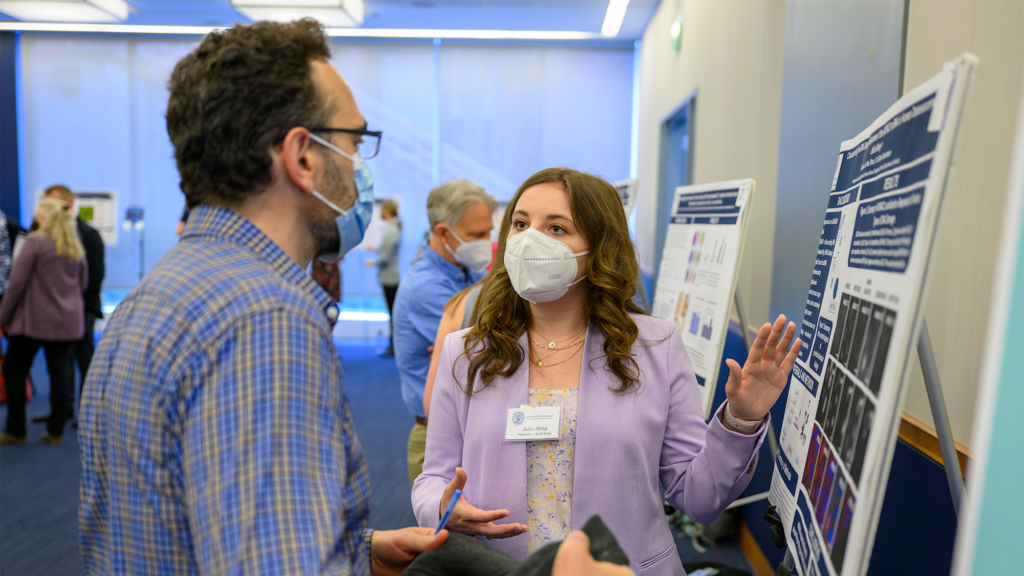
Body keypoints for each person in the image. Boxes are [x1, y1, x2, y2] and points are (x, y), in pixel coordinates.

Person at [78, 20, 449, 574]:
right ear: (303, 156)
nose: (357, 167)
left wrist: (354, 548)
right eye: (352, 142)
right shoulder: (266, 320)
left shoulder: (161, 292)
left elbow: (183, 517)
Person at [412, 168, 802, 575]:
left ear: (598, 247)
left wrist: (742, 419)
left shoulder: (655, 347)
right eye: (521, 223)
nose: (530, 241)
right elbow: (433, 477)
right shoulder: (467, 350)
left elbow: (699, 498)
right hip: (500, 568)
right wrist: (442, 506)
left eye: (557, 228)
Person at [392, 179, 497, 486]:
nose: (486, 240)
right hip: (438, 432)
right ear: (442, 232)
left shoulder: (465, 270)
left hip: (469, 425)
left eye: (489, 231)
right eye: (477, 235)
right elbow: (488, 343)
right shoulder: (426, 287)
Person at [0, 198, 87, 446]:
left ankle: (16, 429)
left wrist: (3, 317)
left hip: (33, 323)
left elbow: (15, 285)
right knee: (60, 374)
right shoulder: (74, 244)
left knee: (13, 370)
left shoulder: (36, 242)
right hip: (68, 323)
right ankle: (55, 431)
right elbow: (83, 282)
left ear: (44, 217)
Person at [29, 185, 105, 425]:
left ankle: (87, 414)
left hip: (82, 310)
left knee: (84, 362)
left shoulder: (88, 234)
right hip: (56, 312)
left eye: (49, 205)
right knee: (58, 365)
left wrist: (72, 302)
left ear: (67, 205)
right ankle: (62, 411)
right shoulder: (41, 234)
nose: (44, 210)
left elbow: (94, 275)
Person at [366, 200, 402, 354]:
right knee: (392, 312)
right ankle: (393, 345)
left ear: (386, 211)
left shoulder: (391, 231)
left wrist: (372, 262)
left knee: (392, 313)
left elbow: (385, 257)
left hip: (389, 278)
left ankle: (394, 347)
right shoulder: (391, 229)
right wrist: (374, 249)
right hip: (389, 277)